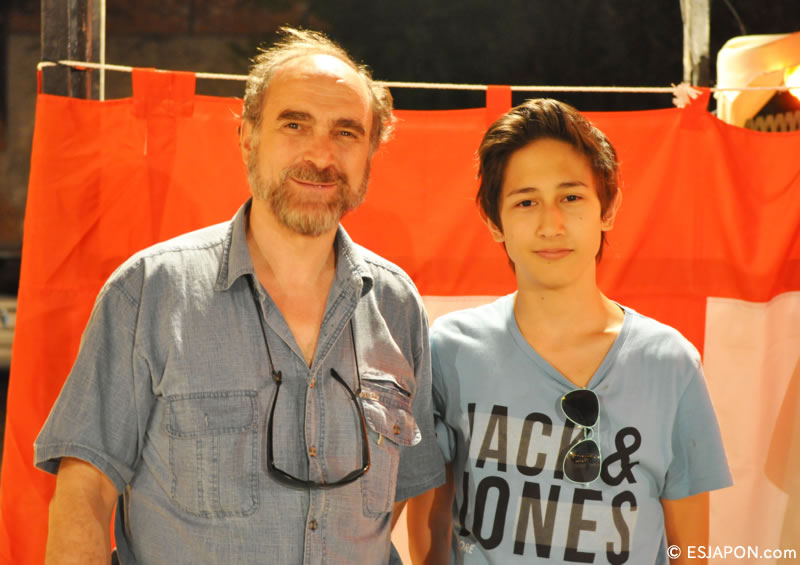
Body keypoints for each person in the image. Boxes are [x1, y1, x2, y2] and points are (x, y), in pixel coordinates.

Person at [34, 27, 445, 565]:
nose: (321, 155)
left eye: (346, 132)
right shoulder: (149, 292)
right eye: (295, 125)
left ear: (370, 153)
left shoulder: (397, 304)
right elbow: (83, 493)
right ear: (248, 137)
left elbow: (400, 498)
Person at [406, 98, 732, 564]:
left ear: (608, 208)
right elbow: (430, 529)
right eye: (526, 202)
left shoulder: (669, 362)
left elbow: (691, 548)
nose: (551, 225)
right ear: (494, 221)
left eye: (571, 197)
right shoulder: (450, 349)